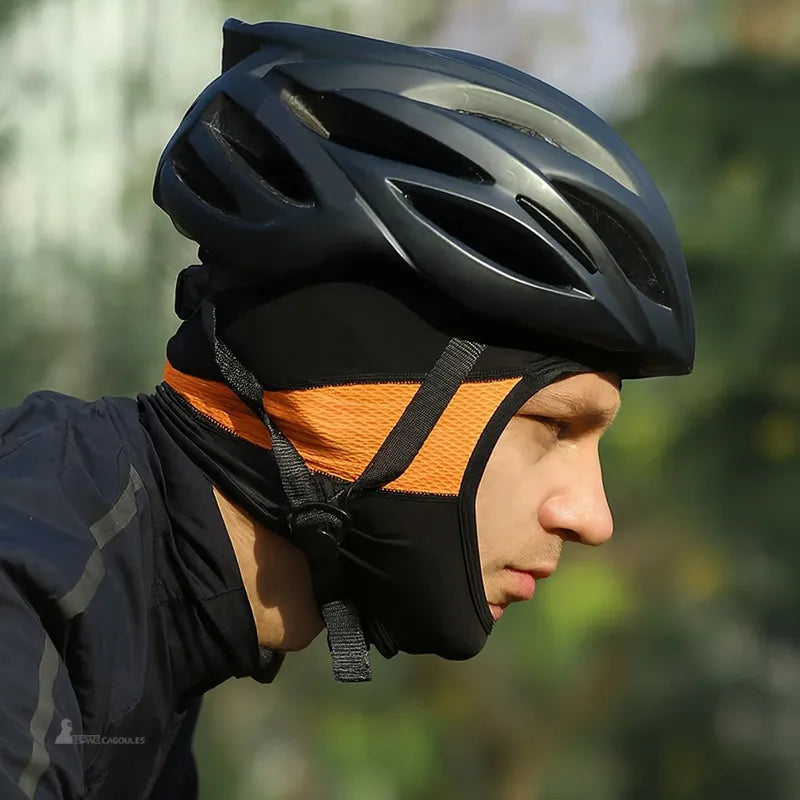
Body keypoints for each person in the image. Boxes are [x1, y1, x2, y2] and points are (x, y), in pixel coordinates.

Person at [0, 17, 694, 800]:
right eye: (556, 425)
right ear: (362, 386)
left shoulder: (142, 620)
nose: (593, 518)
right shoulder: (33, 583)